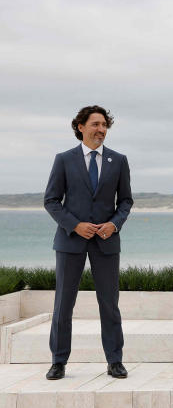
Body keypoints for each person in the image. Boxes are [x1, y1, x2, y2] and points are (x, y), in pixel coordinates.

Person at [43, 106, 134, 380]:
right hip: (70, 242)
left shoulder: (118, 160)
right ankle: (58, 361)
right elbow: (51, 200)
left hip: (107, 242)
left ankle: (115, 360)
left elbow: (126, 201)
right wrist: (75, 225)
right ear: (80, 127)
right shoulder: (64, 160)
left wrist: (114, 224)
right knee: (63, 304)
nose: (101, 130)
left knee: (109, 303)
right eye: (95, 124)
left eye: (104, 125)